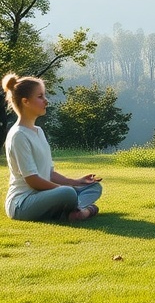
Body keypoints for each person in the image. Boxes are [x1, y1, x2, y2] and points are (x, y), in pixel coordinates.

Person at [2, 73, 103, 222]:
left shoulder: (39, 132)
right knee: (67, 193)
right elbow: (33, 181)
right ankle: (83, 211)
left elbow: (49, 173)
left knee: (94, 187)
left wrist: (77, 182)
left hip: (45, 196)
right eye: (40, 96)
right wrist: (66, 190)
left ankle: (74, 210)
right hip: (23, 203)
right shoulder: (19, 135)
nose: (46, 101)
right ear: (26, 101)